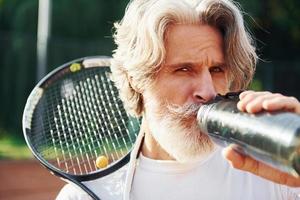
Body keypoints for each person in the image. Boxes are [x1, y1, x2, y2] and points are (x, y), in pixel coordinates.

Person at [56, 0, 300, 199]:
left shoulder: (277, 171)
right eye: (183, 69)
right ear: (137, 81)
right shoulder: (85, 196)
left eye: (216, 70)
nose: (208, 91)